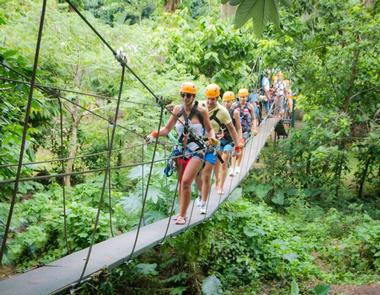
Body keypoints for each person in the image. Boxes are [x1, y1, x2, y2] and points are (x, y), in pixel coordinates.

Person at [147, 82, 216, 225]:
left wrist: (212, 138)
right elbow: (167, 129)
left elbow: (209, 129)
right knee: (181, 183)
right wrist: (154, 134)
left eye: (189, 95)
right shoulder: (178, 110)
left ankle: (183, 216)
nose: (186, 97)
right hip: (180, 151)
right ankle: (181, 212)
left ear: (194, 96)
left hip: (197, 151)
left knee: (186, 182)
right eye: (183, 95)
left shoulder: (201, 111)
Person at [197, 83, 240, 214]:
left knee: (206, 173)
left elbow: (232, 129)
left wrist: (237, 146)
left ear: (218, 98)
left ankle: (204, 202)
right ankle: (200, 193)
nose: (210, 101)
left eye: (213, 99)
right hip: (197, 144)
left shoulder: (223, 112)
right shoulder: (199, 106)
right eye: (208, 98)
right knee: (197, 173)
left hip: (213, 145)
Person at [214, 91, 242, 194]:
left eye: (229, 101)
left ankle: (221, 187)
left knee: (224, 162)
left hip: (229, 141)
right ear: (222, 101)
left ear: (233, 101)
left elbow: (238, 128)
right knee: (216, 163)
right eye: (225, 101)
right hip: (219, 140)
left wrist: (239, 142)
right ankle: (217, 182)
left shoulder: (235, 112)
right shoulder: (219, 111)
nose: (227, 103)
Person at [230, 88, 254, 176]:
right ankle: (232, 168)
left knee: (240, 146)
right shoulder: (234, 106)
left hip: (245, 130)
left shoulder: (250, 106)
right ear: (238, 97)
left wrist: (254, 127)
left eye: (244, 97)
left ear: (247, 97)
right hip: (235, 130)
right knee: (235, 147)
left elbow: (254, 119)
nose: (243, 99)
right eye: (241, 97)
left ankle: (238, 166)